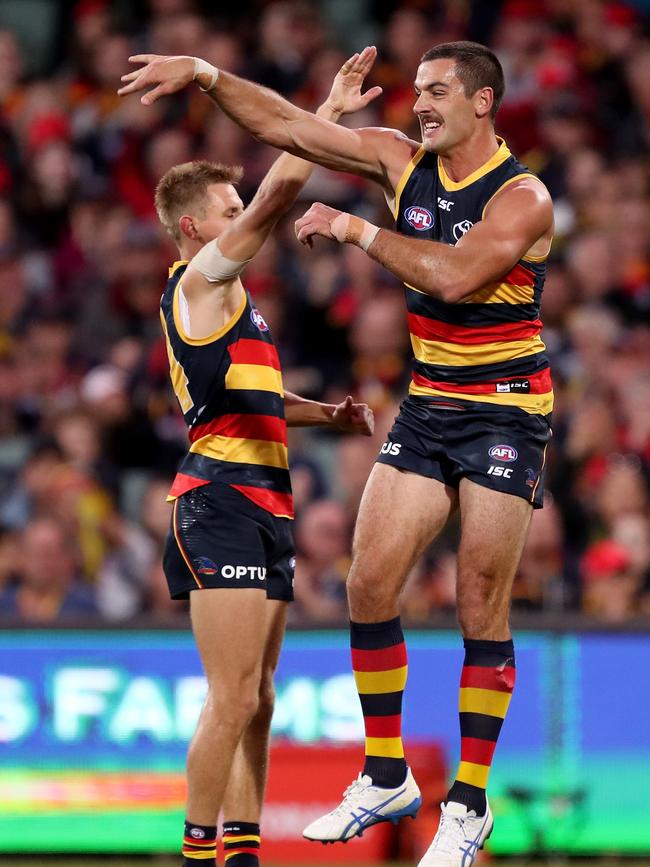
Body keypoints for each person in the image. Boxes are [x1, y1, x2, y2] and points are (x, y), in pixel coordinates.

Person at [119, 39, 554, 866]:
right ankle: (381, 774)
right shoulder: (396, 163)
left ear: (483, 102)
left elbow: (458, 277)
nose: (418, 104)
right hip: (418, 411)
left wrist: (356, 229)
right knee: (364, 583)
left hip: (504, 410)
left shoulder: (523, 196)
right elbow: (286, 135)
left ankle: (466, 803)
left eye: (435, 92)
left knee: (476, 601)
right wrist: (211, 75)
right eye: (418, 90)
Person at [124, 51, 377, 867]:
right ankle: (200, 854)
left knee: (259, 699)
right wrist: (326, 114)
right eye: (227, 207)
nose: (245, 214)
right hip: (221, 501)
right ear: (195, 226)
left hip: (264, 502)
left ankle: (240, 849)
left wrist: (326, 415)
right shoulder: (200, 282)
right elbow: (278, 194)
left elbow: (256, 403)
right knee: (231, 696)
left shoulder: (235, 308)